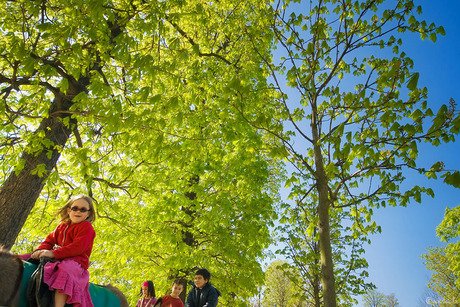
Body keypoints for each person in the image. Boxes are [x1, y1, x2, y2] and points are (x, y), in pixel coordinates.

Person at [29, 194, 96, 307]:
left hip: (76, 263)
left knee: (65, 270)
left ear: (88, 213)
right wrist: (40, 250)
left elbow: (78, 247)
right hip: (58, 259)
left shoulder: (86, 227)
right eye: (75, 208)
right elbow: (49, 241)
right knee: (22, 258)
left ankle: (58, 305)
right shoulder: (61, 227)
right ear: (69, 210)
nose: (78, 212)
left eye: (83, 209)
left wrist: (53, 253)